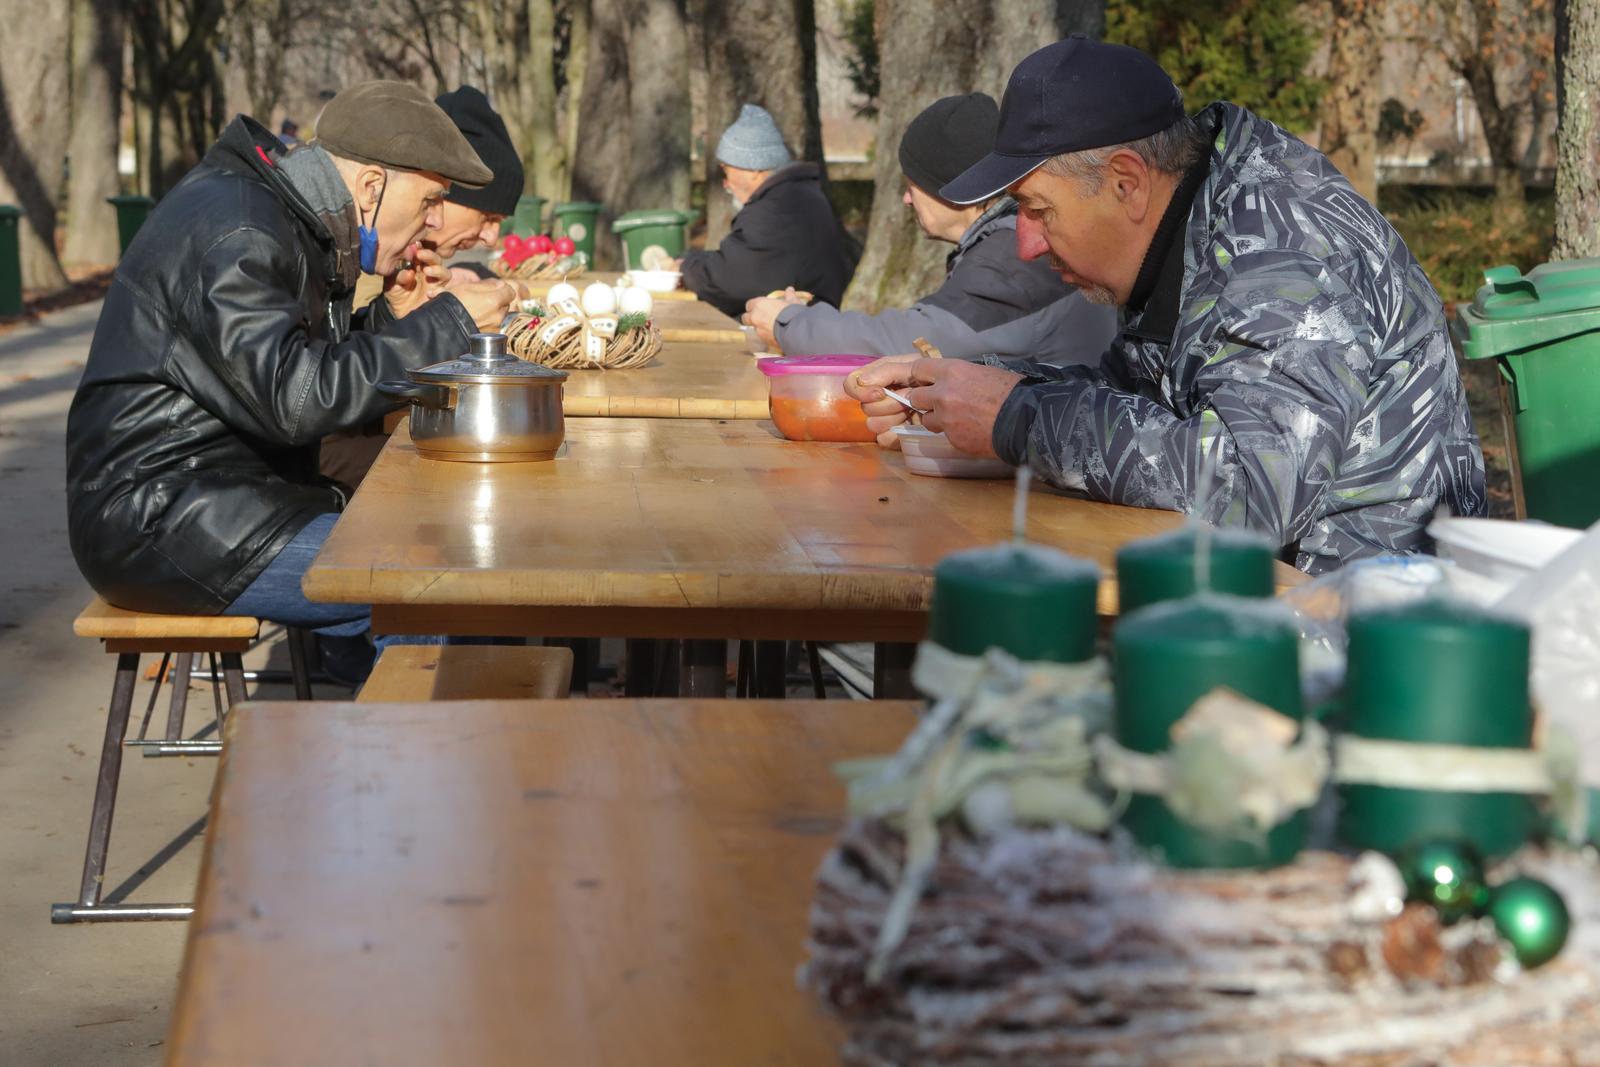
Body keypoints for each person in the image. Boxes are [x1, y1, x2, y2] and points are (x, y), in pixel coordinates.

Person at [846, 36, 1485, 574]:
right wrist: (968, 393)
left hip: (1366, 632)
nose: (1027, 244)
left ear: (1126, 182)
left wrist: (1016, 416)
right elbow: (1140, 400)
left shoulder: (1282, 248)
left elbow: (1253, 492)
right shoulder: (1189, 219)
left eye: (1038, 210)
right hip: (1253, 600)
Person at [66, 81, 518, 679]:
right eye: (431, 199)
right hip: (160, 521)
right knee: (427, 579)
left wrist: (392, 320)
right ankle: (402, 736)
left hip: (221, 499)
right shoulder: (242, 231)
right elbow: (295, 400)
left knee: (437, 547)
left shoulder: (281, 214)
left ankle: (373, 717)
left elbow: (281, 365)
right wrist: (447, 325)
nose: (433, 221)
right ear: (372, 186)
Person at [742, 92, 1115, 366]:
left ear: (950, 187)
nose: (907, 200)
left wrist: (787, 323)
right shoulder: (1005, 246)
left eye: (913, 184)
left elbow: (910, 343)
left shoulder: (1015, 258)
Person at [676, 103, 859, 317]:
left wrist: (685, 267)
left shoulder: (779, 207)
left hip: (797, 328)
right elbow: (745, 257)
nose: (726, 183)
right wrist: (693, 260)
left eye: (726, 170)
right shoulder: (797, 196)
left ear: (753, 168)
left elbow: (732, 277)